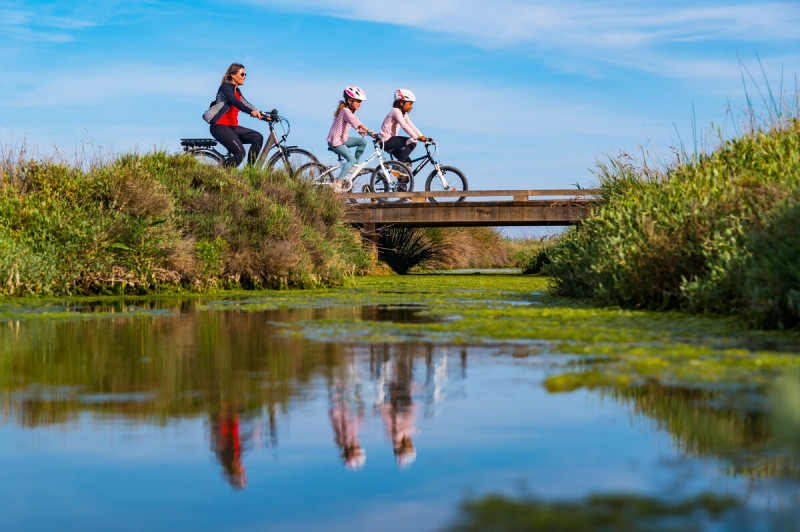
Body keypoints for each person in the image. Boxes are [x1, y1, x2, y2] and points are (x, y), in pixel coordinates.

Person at [203, 63, 267, 168]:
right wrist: (251, 112)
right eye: (242, 74)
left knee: (257, 137)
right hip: (219, 126)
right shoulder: (225, 88)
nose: (245, 77)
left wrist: (263, 115)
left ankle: (249, 173)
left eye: (245, 75)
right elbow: (235, 102)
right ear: (233, 75)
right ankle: (220, 175)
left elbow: (246, 104)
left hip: (232, 127)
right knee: (240, 153)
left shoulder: (237, 91)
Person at [326, 86, 374, 193]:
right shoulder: (345, 111)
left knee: (362, 141)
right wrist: (367, 130)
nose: (359, 104)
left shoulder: (349, 112)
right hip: (335, 141)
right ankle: (338, 184)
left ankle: (354, 165)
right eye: (357, 101)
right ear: (349, 100)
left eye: (360, 102)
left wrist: (369, 134)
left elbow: (355, 125)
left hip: (342, 139)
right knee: (350, 159)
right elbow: (355, 121)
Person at [379, 89, 427, 165]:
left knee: (408, 163)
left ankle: (399, 175)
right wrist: (416, 137)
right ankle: (397, 167)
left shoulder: (403, 114)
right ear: (401, 103)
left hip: (392, 142)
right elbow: (404, 125)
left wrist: (422, 136)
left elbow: (411, 125)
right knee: (412, 142)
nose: (411, 107)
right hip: (386, 141)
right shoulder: (396, 111)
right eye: (410, 104)